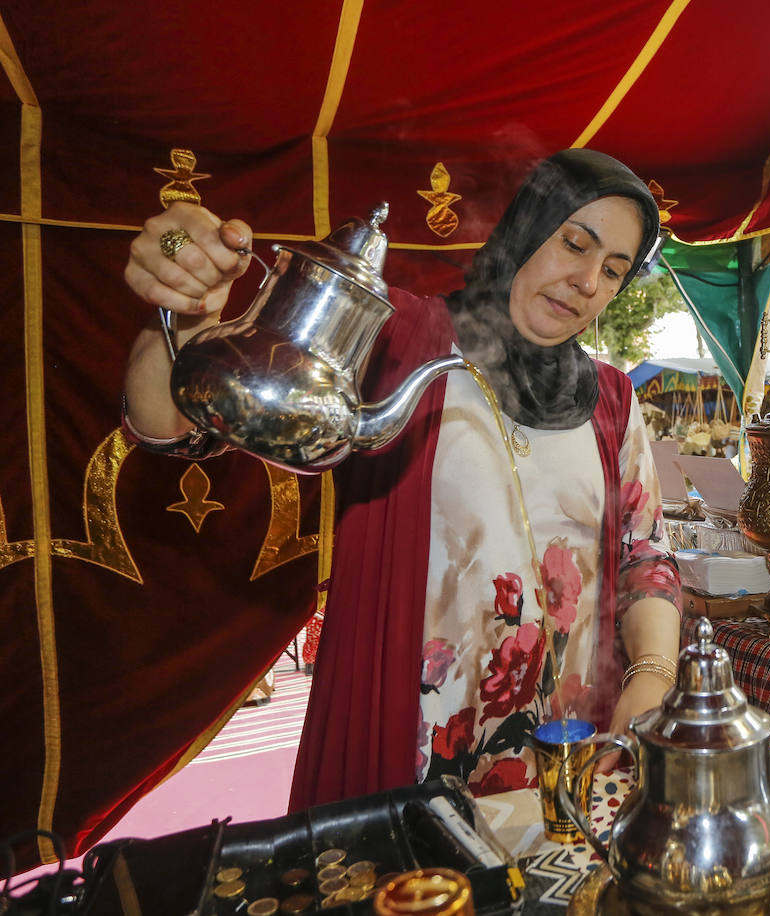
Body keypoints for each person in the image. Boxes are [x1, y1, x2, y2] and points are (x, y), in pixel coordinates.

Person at [121, 150, 683, 809]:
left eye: (613, 270)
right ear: (526, 229)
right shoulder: (401, 337)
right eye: (574, 243)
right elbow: (186, 429)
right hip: (409, 748)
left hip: (572, 753)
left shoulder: (612, 399)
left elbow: (646, 558)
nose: (588, 280)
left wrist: (652, 673)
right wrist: (183, 317)